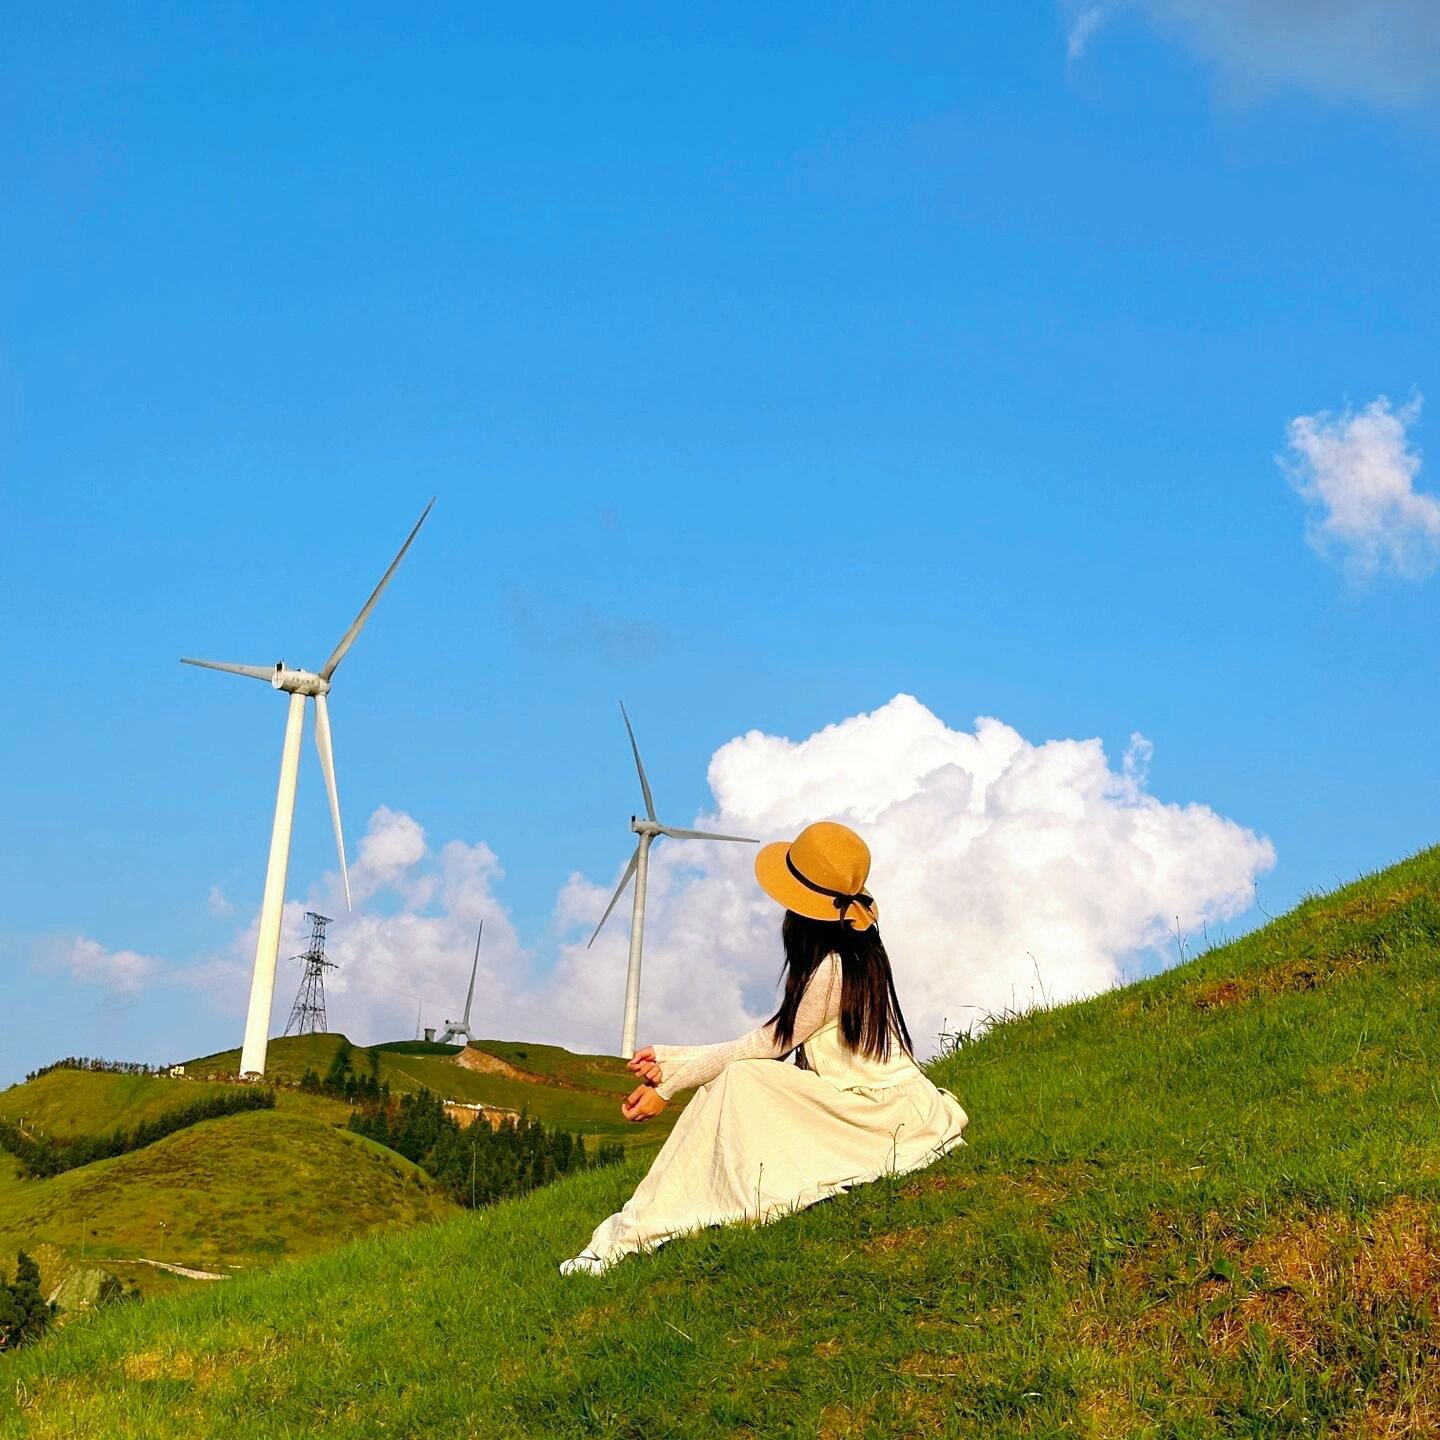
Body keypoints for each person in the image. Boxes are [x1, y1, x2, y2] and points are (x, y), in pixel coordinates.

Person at [560, 820, 968, 1276]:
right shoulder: (857, 952)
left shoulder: (831, 972)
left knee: (740, 1079)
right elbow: (774, 1035)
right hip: (891, 1104)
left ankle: (639, 1230)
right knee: (732, 1081)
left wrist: (669, 1086)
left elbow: (767, 1044)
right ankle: (641, 1221)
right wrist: (672, 1059)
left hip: (879, 1117)